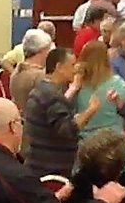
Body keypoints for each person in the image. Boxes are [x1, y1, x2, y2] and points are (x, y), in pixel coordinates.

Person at [24, 47, 99, 176]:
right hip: (53, 168)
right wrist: (91, 110)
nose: (75, 70)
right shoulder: (52, 96)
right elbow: (69, 130)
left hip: (38, 163)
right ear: (58, 67)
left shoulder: (41, 89)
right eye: (72, 65)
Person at [74, 40, 125, 139]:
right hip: (112, 138)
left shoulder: (76, 84)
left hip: (83, 139)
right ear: (106, 58)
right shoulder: (116, 83)